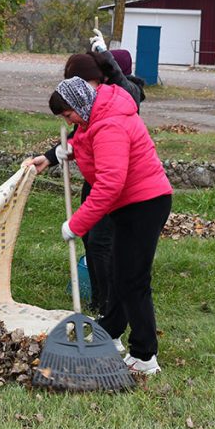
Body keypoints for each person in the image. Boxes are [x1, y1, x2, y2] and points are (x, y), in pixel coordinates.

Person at [51, 76, 172, 376]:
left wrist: (76, 225)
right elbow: (87, 140)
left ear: (80, 104)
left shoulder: (110, 124)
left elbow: (109, 184)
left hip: (144, 205)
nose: (69, 121)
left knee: (133, 279)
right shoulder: (96, 114)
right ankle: (111, 332)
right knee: (120, 272)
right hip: (131, 203)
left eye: (68, 114)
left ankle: (144, 355)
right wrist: (64, 151)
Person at [24, 34, 143, 316]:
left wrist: (105, 53)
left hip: (118, 186)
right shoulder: (88, 107)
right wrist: (51, 157)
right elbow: (78, 140)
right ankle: (101, 299)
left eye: (80, 83)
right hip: (97, 180)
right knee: (93, 240)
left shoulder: (115, 100)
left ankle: (109, 309)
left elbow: (111, 180)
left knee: (102, 242)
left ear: (98, 80)